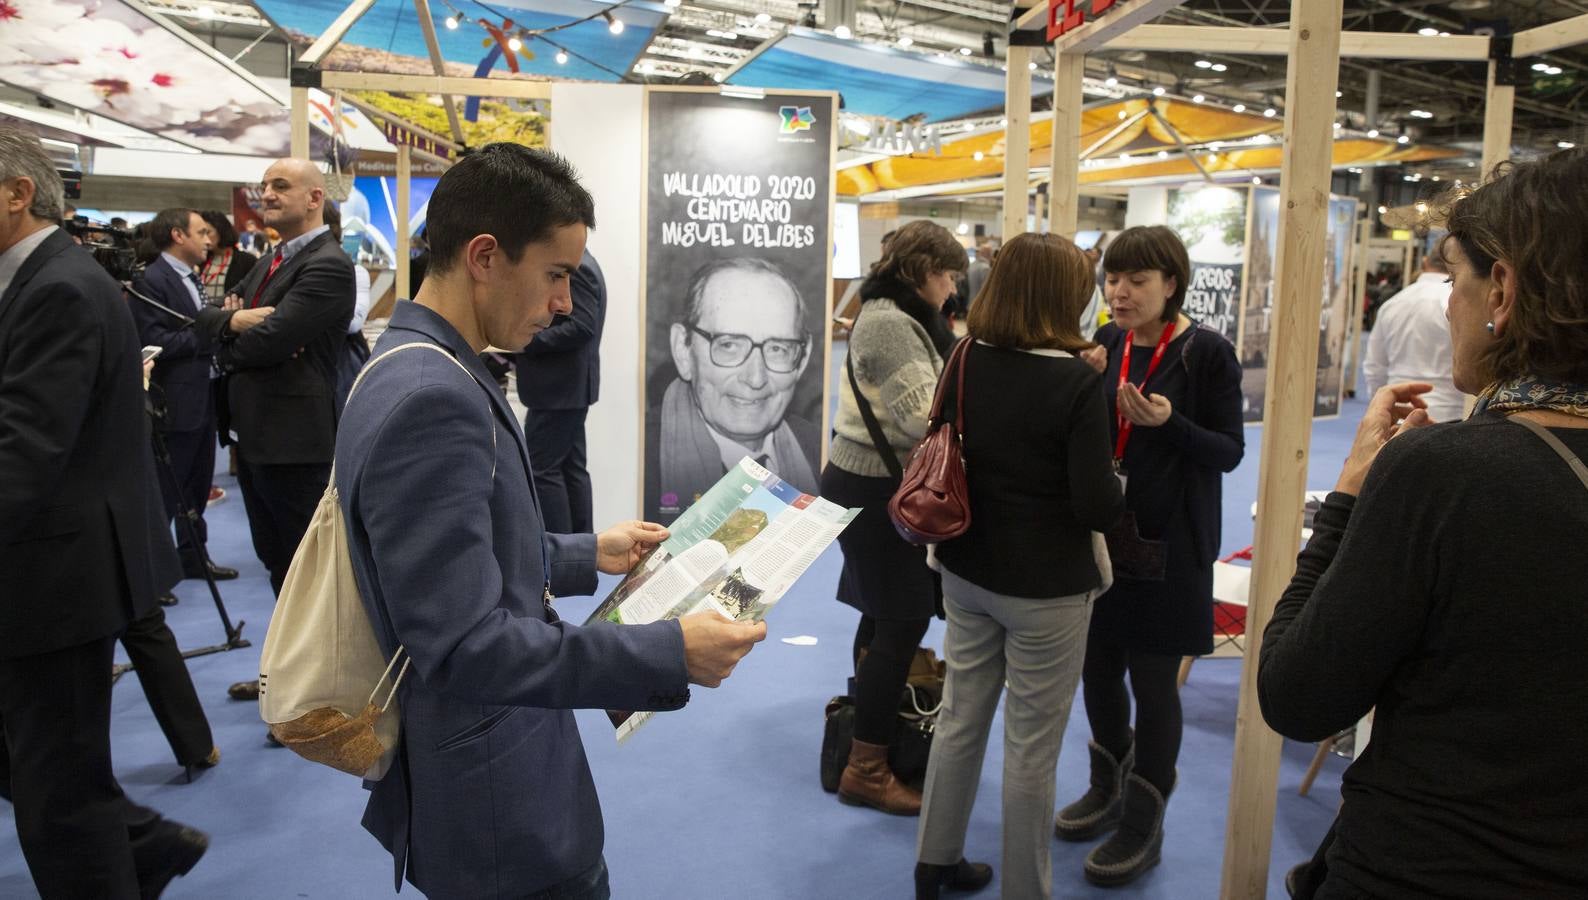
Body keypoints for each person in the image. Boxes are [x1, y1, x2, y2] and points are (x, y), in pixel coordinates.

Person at [336, 142, 767, 899]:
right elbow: (465, 646)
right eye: (557, 274)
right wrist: (666, 652)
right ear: (484, 256)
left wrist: (581, 553)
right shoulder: (432, 396)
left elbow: (453, 556)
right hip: (496, 790)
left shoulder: (416, 360)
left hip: (489, 763)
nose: (566, 303)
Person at [1260, 149, 1588, 899]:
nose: (1447, 305)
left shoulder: (1451, 471)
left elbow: (1297, 695)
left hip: (1428, 868)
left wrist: (1346, 501)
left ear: (1501, 286)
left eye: (1454, 277)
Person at [0, 126, 208, 899]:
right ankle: (148, 845)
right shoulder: (45, 278)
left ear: (18, 193)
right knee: (49, 771)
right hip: (57, 564)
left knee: (58, 795)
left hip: (56, 573)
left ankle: (138, 853)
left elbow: (26, 450)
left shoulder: (56, 286)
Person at [914, 233, 1126, 899]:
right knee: (1031, 747)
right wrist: (1124, 478)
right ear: (1067, 296)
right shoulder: (1075, 383)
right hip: (1048, 588)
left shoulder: (967, 355)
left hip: (966, 565)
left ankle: (934, 863)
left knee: (960, 717)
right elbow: (1097, 504)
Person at [1055, 225, 1244, 886]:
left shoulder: (1206, 353)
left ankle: (1144, 820)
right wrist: (1085, 392)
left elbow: (1228, 451)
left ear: (1171, 283)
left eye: (1136, 280)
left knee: (1153, 683)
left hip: (1172, 547)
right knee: (1097, 667)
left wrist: (1172, 425)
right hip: (1104, 536)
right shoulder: (1105, 343)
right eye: (1113, 279)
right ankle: (1106, 786)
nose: (1120, 291)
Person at [194, 158, 354, 701]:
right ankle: (288, 679)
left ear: (315, 198)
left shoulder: (328, 265)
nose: (266, 194)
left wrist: (242, 327)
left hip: (296, 441)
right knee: (277, 566)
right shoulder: (268, 261)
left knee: (304, 573)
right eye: (264, 186)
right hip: (259, 437)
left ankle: (315, 693)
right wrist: (236, 319)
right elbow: (208, 316)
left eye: (280, 186)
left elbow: (272, 339)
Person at [821, 219, 965, 815]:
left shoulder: (889, 316)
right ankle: (868, 768)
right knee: (901, 622)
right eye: (948, 276)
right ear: (922, 271)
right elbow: (919, 419)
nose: (952, 290)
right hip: (878, 491)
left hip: (871, 485)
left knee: (883, 617)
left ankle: (868, 730)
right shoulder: (891, 324)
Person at [646, 257, 820, 521]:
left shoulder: (822, 457)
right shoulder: (638, 464)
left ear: (802, 358)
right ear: (683, 350)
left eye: (777, 349)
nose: (755, 378)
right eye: (728, 345)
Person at [131, 207, 239, 582]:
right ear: (179, 236)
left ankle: (193, 556)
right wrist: (214, 330)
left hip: (202, 395)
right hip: (172, 401)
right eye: (202, 232)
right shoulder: (151, 280)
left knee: (195, 485)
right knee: (163, 490)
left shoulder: (190, 277)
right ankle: (153, 575)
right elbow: (153, 341)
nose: (209, 240)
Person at [517, 250, 606, 533]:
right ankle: (580, 552)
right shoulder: (583, 264)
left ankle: (563, 558)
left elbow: (582, 325)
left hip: (558, 390)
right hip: (565, 389)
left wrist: (528, 341)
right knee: (570, 470)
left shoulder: (579, 267)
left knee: (544, 471)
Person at [1362, 253, 1467, 422]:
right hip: (1448, 414)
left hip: (1397, 413)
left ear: (1424, 262)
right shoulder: (1458, 304)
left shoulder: (1392, 304)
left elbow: (1374, 367)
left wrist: (1382, 408)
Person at [197, 210, 257, 304]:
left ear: (221, 230)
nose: (205, 238)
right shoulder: (200, 259)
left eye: (208, 232)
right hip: (204, 314)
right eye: (201, 234)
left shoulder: (246, 261)